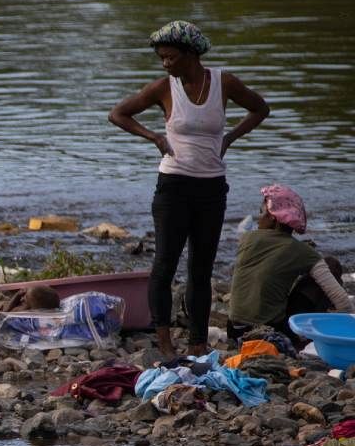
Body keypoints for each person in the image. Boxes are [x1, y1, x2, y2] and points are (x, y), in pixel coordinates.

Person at [109, 20, 270, 359]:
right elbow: (119, 114)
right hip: (174, 186)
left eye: (170, 57)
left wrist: (230, 137)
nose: (165, 64)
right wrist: (154, 137)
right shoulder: (164, 88)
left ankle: (198, 342)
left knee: (201, 267)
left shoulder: (224, 82)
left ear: (190, 54)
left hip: (212, 187)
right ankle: (165, 343)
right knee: (165, 264)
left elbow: (260, 108)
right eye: (162, 59)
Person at [227, 184, 351, 339]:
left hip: (234, 330)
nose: (259, 218)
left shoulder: (247, 238)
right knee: (331, 265)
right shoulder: (302, 252)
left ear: (272, 217)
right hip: (270, 333)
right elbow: (343, 302)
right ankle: (304, 337)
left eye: (261, 212)